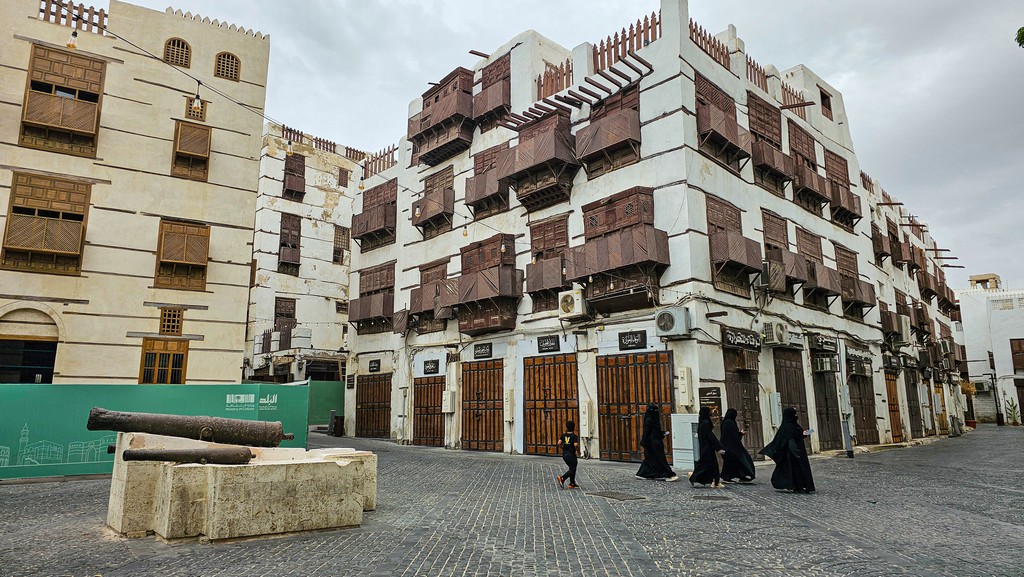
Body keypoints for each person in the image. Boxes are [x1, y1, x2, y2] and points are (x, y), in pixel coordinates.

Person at [759, 407, 815, 493]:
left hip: (796, 453)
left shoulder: (792, 425)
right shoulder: (788, 427)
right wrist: (796, 453)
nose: (796, 416)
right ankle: (798, 486)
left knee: (798, 470)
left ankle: (799, 486)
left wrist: (803, 434)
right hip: (793, 454)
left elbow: (796, 435)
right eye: (794, 414)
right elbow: (790, 440)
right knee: (796, 470)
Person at [635, 404, 679, 481]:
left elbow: (654, 431)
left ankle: (643, 473)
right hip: (653, 443)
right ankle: (667, 474)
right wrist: (645, 442)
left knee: (651, 459)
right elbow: (647, 432)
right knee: (659, 459)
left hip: (654, 442)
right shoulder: (649, 420)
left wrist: (662, 434)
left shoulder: (652, 419)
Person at [689, 406, 725, 487]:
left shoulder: (702, 422)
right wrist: (718, 447)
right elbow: (710, 436)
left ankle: (715, 482)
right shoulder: (705, 423)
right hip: (708, 448)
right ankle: (694, 478)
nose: (711, 413)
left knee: (710, 465)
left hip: (705, 447)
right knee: (706, 465)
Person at [719, 408, 756, 483]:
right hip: (732, 447)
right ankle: (730, 476)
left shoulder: (725, 422)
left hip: (728, 446)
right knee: (737, 461)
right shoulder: (729, 423)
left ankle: (740, 476)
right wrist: (741, 434)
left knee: (733, 462)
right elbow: (733, 436)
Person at [556, 420, 580, 489]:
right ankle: (562, 478)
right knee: (573, 469)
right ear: (574, 428)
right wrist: (578, 451)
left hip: (565, 454)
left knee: (572, 468)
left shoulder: (564, 435)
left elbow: (559, 443)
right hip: (571, 455)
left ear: (567, 428)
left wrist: (562, 448)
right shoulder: (574, 436)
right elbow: (576, 444)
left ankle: (572, 483)